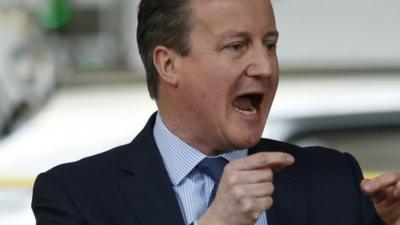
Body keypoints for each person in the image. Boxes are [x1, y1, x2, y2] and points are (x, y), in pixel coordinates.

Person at [32, 0, 400, 224]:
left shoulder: (332, 178)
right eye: (237, 46)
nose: (265, 66)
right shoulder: (75, 197)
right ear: (168, 64)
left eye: (269, 45)